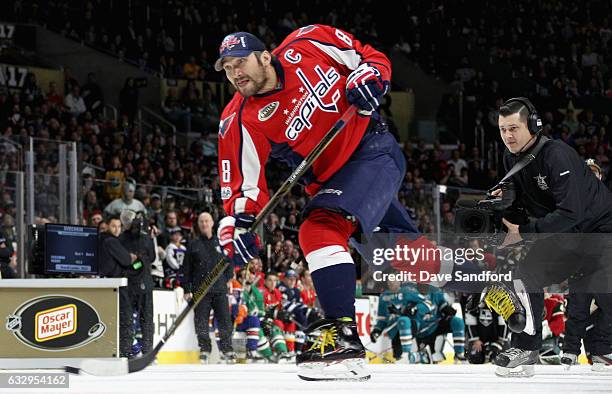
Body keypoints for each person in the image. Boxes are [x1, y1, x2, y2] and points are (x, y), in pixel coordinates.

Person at [213, 25, 469, 381]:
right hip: (335, 182)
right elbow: (244, 186)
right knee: (405, 255)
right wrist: (240, 225)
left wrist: (370, 77)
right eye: (227, 68)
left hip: (372, 151)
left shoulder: (308, 42)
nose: (235, 73)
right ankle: (491, 280)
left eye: (240, 62)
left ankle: (342, 340)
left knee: (318, 229)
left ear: (264, 56)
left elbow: (369, 57)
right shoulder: (238, 119)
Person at [484, 97, 612, 377]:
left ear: (532, 125)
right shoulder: (510, 158)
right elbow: (531, 206)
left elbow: (571, 213)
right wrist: (504, 208)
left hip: (601, 232)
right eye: (503, 129)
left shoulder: (557, 154)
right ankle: (526, 350)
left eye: (514, 128)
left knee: (605, 295)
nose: (507, 135)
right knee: (525, 275)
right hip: (569, 235)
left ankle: (603, 348)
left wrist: (524, 233)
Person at [181, 212, 235, 363]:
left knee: (224, 321)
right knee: (201, 322)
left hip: (219, 290)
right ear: (198, 225)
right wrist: (186, 289)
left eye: (207, 221)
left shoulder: (222, 243)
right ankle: (205, 349)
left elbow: (229, 262)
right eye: (201, 222)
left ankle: (227, 350)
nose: (204, 224)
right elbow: (186, 269)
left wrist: (228, 277)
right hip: (200, 290)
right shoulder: (193, 245)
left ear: (212, 223)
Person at [98, 217, 140, 357]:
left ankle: (124, 348)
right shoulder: (110, 241)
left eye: (119, 226)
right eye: (113, 226)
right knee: (125, 317)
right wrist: (130, 258)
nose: (117, 229)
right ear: (107, 226)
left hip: (111, 285)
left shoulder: (110, 240)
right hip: (115, 286)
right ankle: (127, 350)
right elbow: (127, 260)